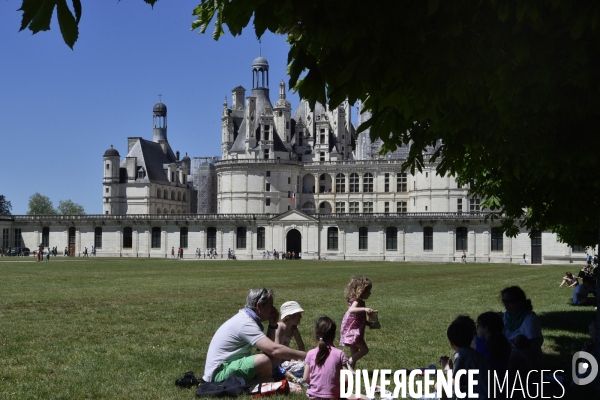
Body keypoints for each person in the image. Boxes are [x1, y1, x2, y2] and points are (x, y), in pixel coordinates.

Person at [202, 288, 307, 383]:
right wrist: (305, 355)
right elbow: (274, 349)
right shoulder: (245, 323)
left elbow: (271, 352)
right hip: (218, 374)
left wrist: (272, 325)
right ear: (259, 306)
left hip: (226, 367)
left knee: (273, 360)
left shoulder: (246, 318)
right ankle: (257, 383)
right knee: (262, 360)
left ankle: (264, 381)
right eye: (270, 306)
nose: (273, 309)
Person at [440, 317, 489, 400]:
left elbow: (455, 383)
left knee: (440, 386)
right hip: (484, 394)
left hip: (475, 396)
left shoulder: (462, 355)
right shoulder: (474, 354)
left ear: (451, 342)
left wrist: (447, 368)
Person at [303, 316, 349, 400]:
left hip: (314, 396)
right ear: (334, 334)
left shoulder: (310, 353)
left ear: (316, 333)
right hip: (334, 396)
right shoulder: (340, 354)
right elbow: (346, 380)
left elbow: (305, 378)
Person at [501, 286, 544, 370]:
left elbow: (534, 347)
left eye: (510, 301)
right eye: (504, 301)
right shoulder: (504, 316)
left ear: (520, 301)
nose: (506, 304)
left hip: (524, 357)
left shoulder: (529, 318)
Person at [340, 275, 373, 369]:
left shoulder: (359, 301)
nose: (370, 293)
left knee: (354, 351)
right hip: (353, 330)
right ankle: (348, 362)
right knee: (364, 350)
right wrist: (365, 309)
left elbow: (358, 316)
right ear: (361, 291)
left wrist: (367, 323)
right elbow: (351, 310)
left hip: (354, 328)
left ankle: (350, 371)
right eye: (368, 291)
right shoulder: (357, 301)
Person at [274, 301, 306, 366]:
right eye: (298, 315)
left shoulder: (294, 329)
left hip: (284, 356)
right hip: (275, 357)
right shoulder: (279, 328)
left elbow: (301, 345)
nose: (301, 317)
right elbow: (277, 348)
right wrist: (290, 357)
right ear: (290, 316)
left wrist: (299, 360)